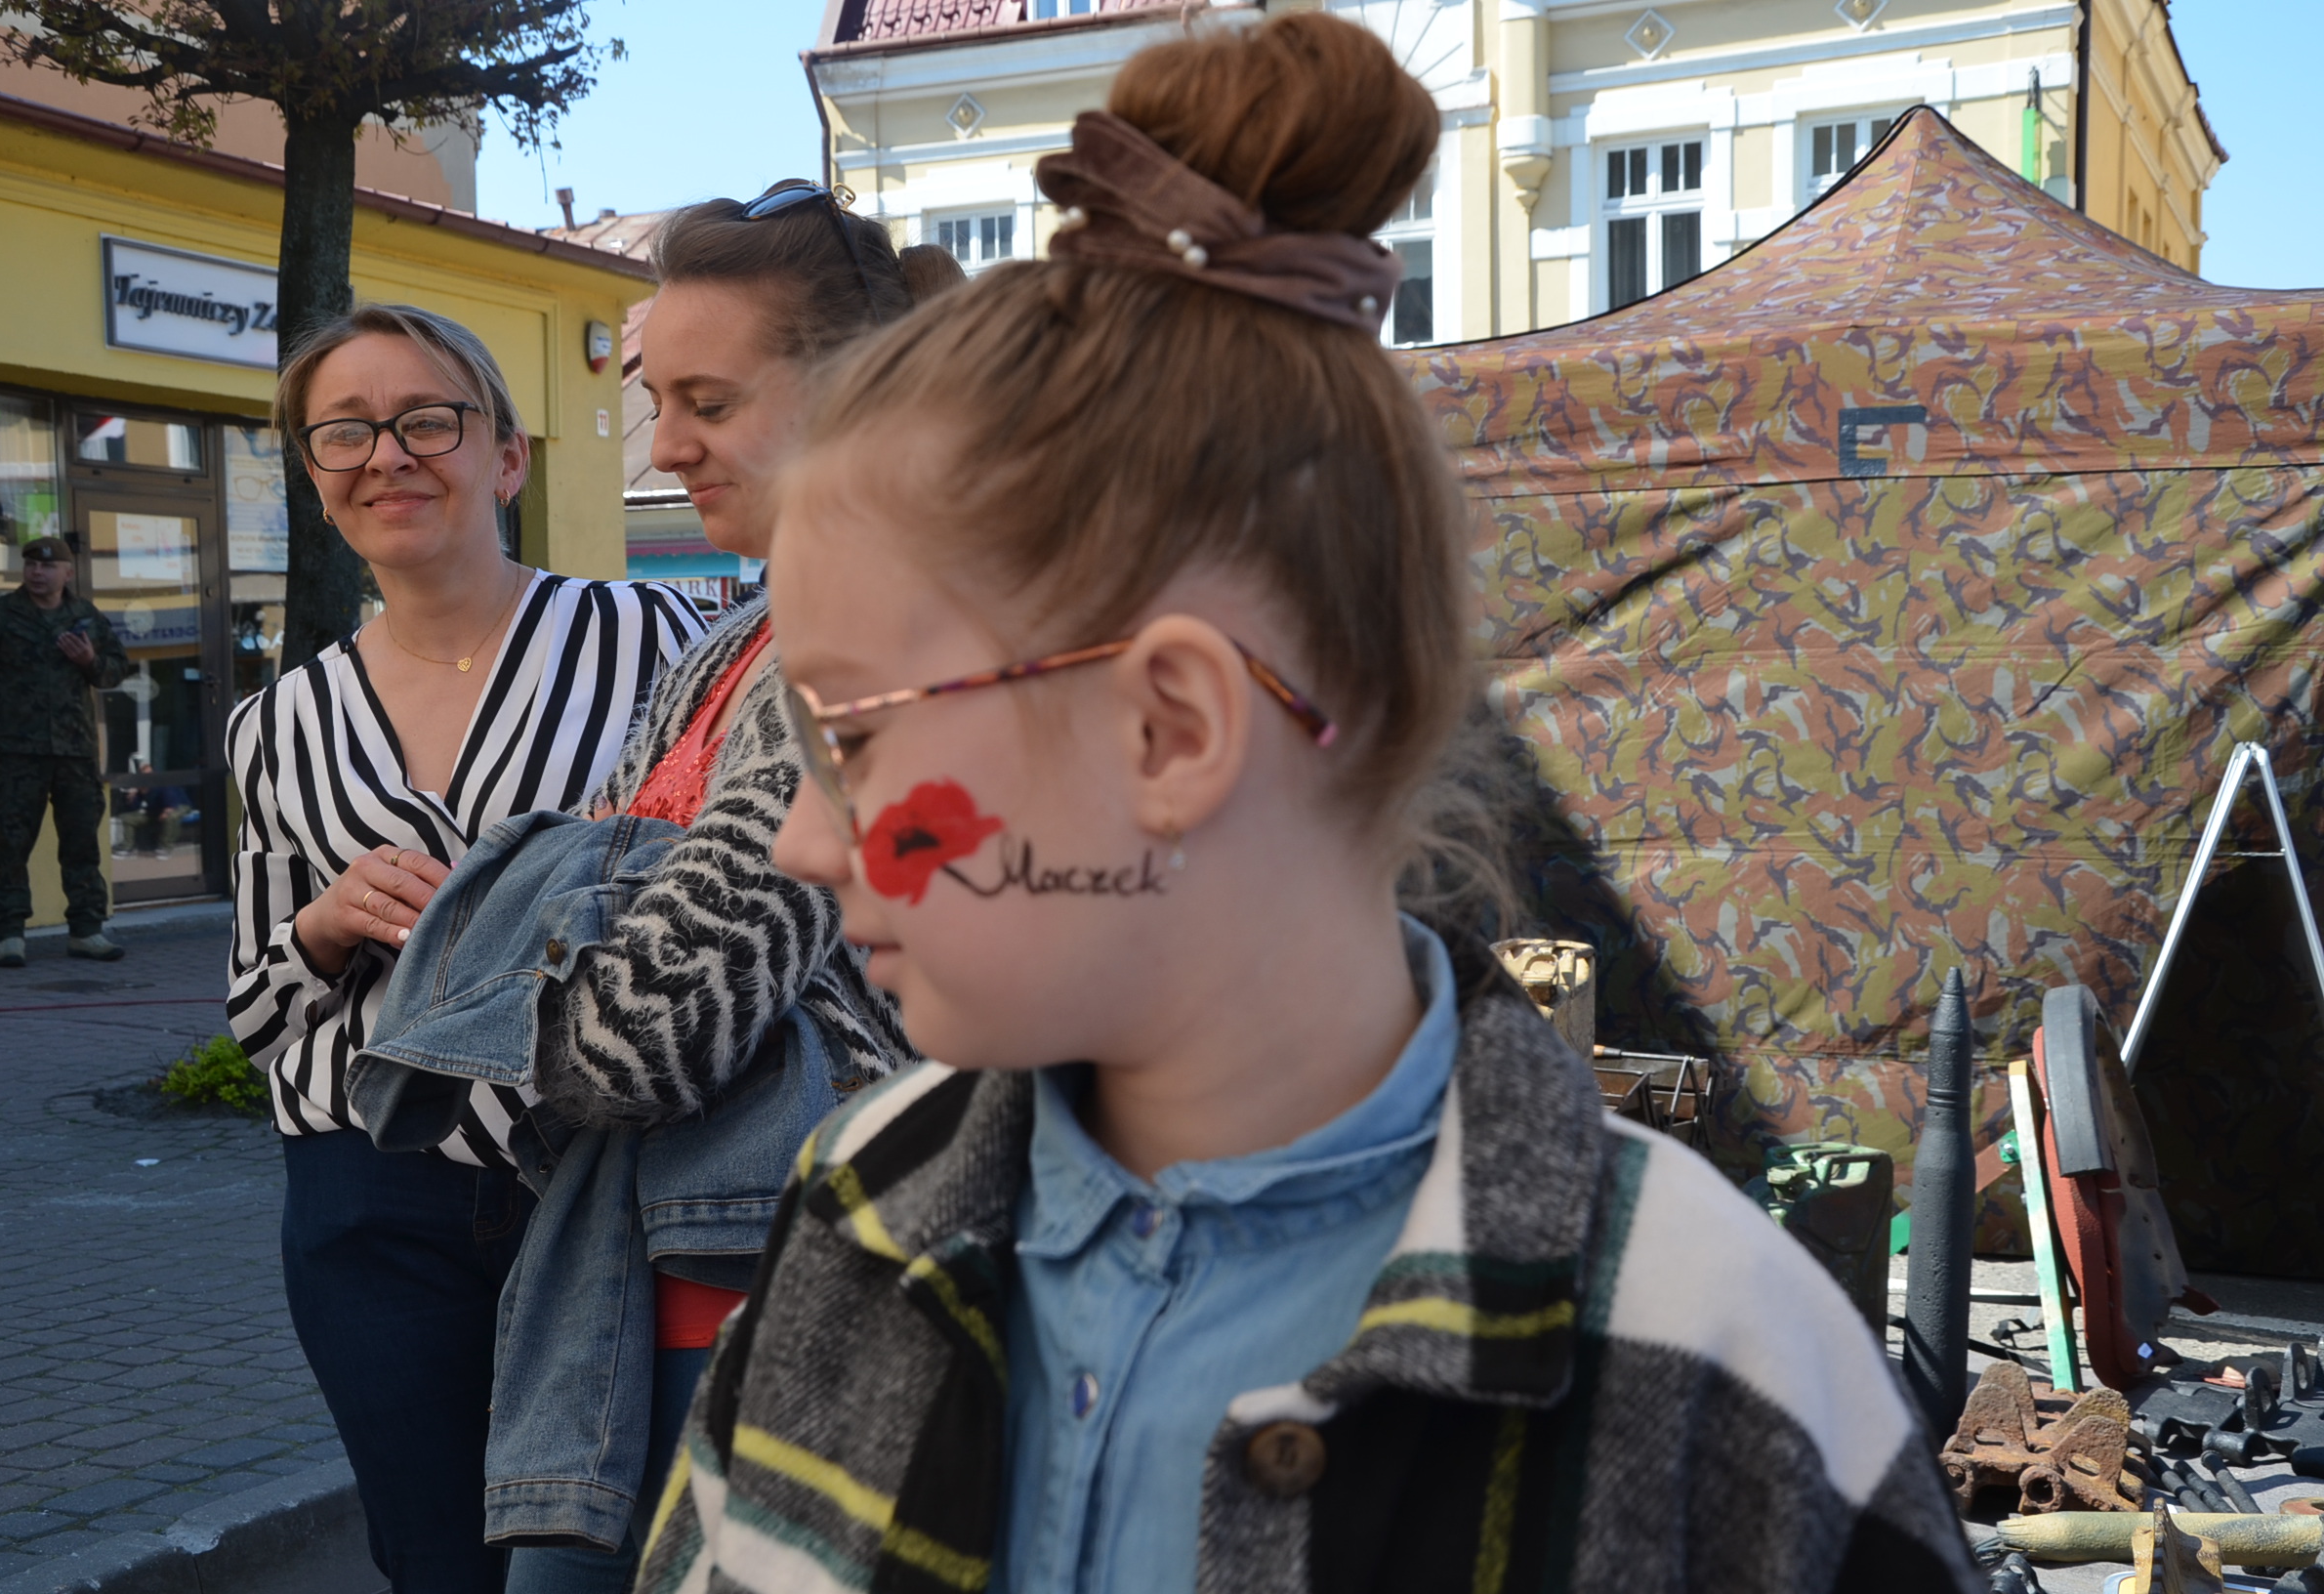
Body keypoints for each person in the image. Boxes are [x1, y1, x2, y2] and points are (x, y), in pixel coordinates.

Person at [639, 15, 1979, 1593]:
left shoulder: (1719, 1364)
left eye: (851, 740)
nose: (801, 840)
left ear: (1167, 730)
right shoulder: (859, 1212)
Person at [491, 186, 957, 1594]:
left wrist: (505, 953)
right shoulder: (737, 635)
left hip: (786, 1288)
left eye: (709, 401)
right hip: (655, 1273)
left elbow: (643, 1031)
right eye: (656, 401)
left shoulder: (865, 630)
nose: (665, 445)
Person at [224, 303, 703, 1594]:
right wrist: (323, 925)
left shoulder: (657, 641)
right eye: (344, 432)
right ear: (316, 478)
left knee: (627, 1553)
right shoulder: (279, 724)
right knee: (435, 1559)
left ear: (506, 457)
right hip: (372, 1191)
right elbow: (258, 1009)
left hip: (614, 1172)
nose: (387, 454)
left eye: (427, 420)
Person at [0, 534, 130, 967]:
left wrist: (90, 661)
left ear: (67, 573)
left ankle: (87, 931)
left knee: (81, 844)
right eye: (32, 565)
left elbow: (115, 671)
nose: (38, 573)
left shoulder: (85, 617)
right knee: (12, 844)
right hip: (19, 752)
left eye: (48, 566)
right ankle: (10, 934)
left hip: (75, 752)